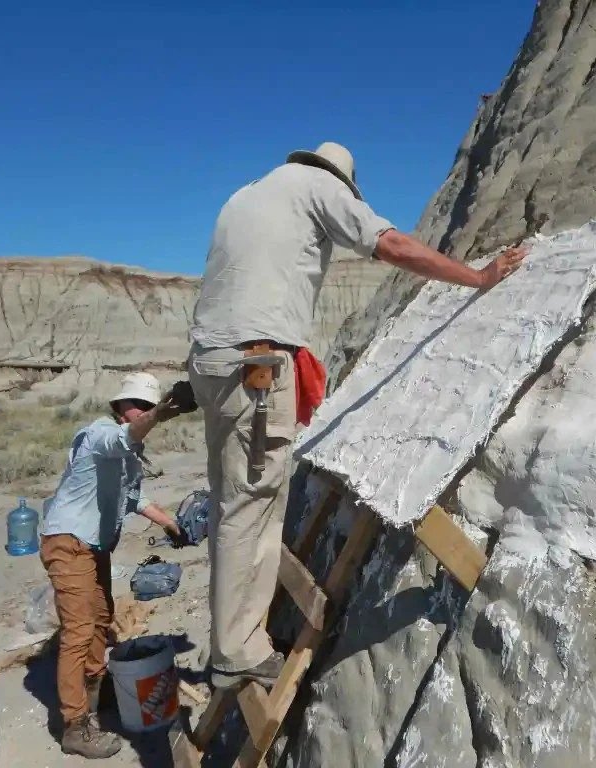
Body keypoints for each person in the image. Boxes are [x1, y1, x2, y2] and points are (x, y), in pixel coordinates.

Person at [188, 141, 528, 690]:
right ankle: (235, 653)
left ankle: (238, 638)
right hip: (254, 368)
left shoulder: (247, 195)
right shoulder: (318, 186)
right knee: (249, 506)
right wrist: (478, 277)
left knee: (241, 501)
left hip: (214, 361)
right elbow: (391, 244)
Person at [39, 373, 197, 758]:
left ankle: (95, 692)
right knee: (79, 630)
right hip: (68, 542)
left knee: (101, 619)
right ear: (119, 406)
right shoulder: (99, 434)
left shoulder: (129, 453)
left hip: (93, 545)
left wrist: (171, 525)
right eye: (137, 405)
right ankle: (75, 725)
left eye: (147, 406)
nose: (141, 411)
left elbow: (134, 498)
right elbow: (122, 438)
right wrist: (158, 414)